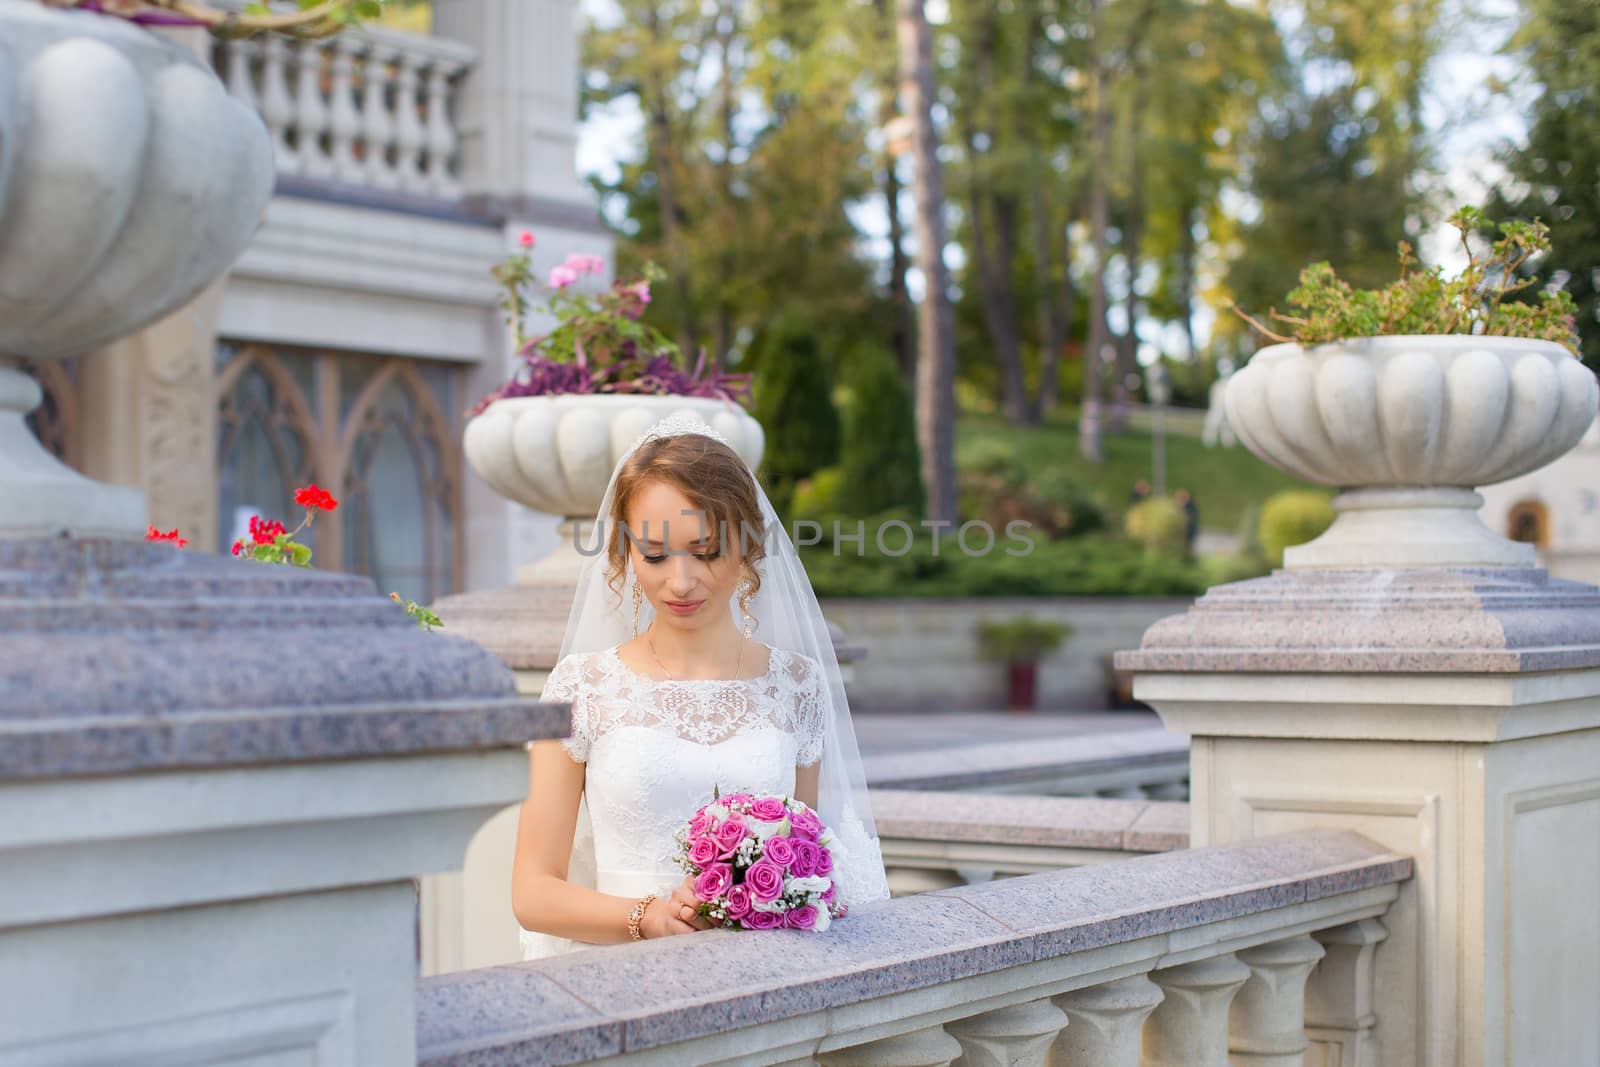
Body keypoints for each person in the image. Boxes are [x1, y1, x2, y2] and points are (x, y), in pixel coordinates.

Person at [511, 414, 889, 954]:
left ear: (748, 549)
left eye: (707, 551)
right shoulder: (584, 687)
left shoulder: (797, 686)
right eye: (656, 555)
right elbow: (532, 892)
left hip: (762, 985)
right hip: (623, 983)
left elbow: (815, 867)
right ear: (624, 553)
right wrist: (649, 918)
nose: (681, 582)